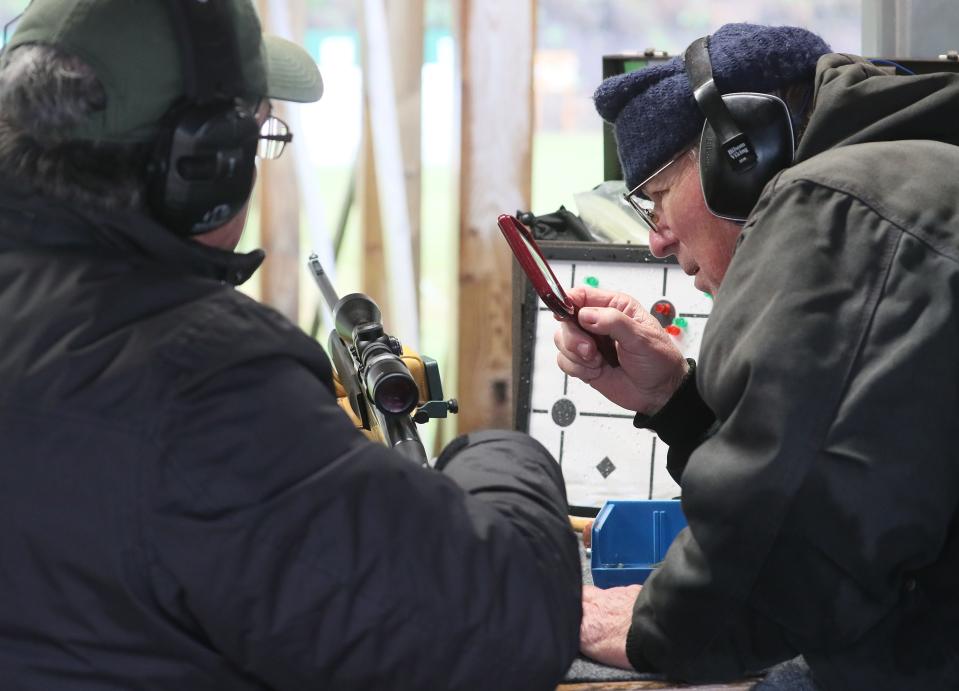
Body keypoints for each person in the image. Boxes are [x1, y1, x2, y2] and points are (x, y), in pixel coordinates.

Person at [0, 1, 581, 689]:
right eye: (258, 134)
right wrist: (497, 450)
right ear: (207, 166)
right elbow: (502, 625)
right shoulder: (202, 378)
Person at [555, 21, 959, 690]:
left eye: (656, 200)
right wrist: (674, 402)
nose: (655, 242)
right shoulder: (914, 186)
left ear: (736, 156)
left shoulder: (840, 205)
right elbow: (853, 470)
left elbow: (787, 549)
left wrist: (653, 626)